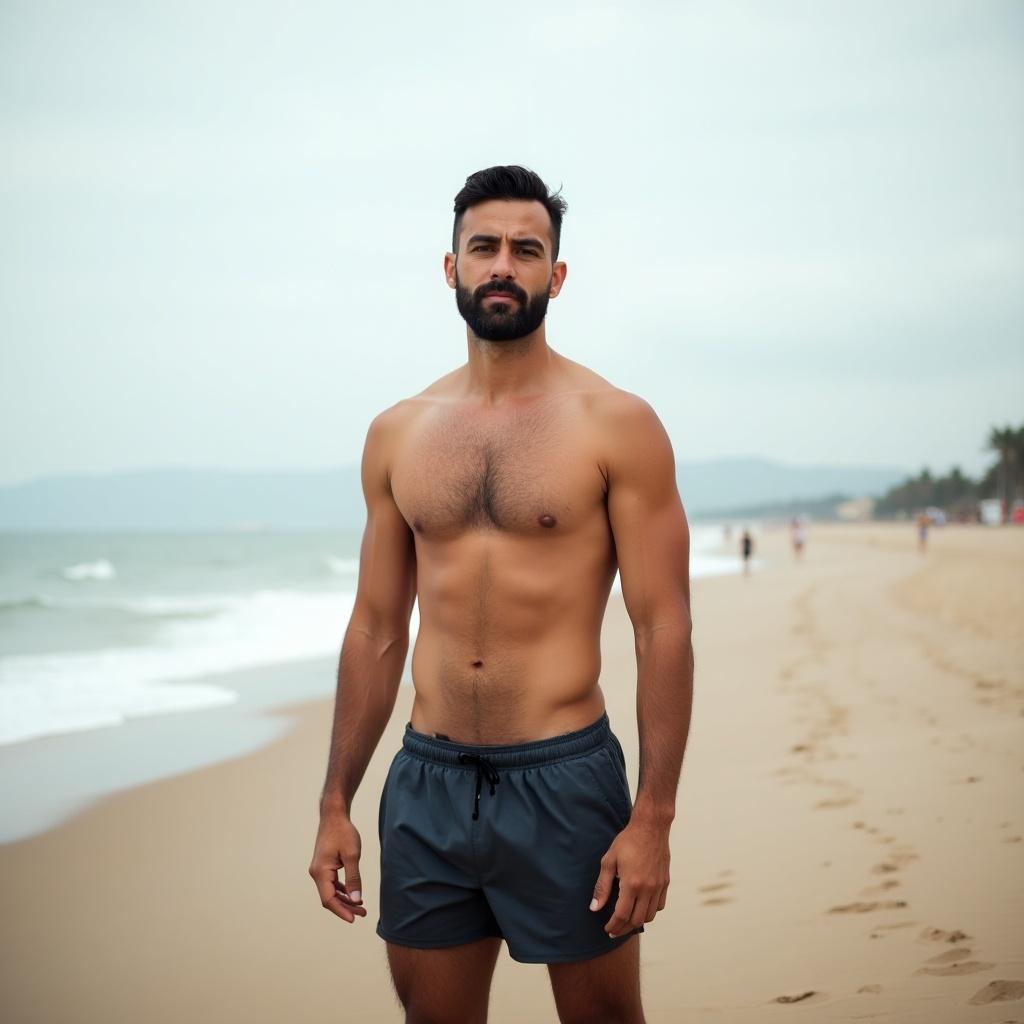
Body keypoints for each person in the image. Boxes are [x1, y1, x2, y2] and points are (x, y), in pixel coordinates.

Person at [308, 165, 693, 1024]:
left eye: (527, 250)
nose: (502, 266)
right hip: (427, 783)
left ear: (556, 276)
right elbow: (375, 629)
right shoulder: (398, 432)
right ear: (450, 267)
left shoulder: (615, 422)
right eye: (483, 247)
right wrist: (335, 801)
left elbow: (663, 625)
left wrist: (654, 819)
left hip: (565, 781)